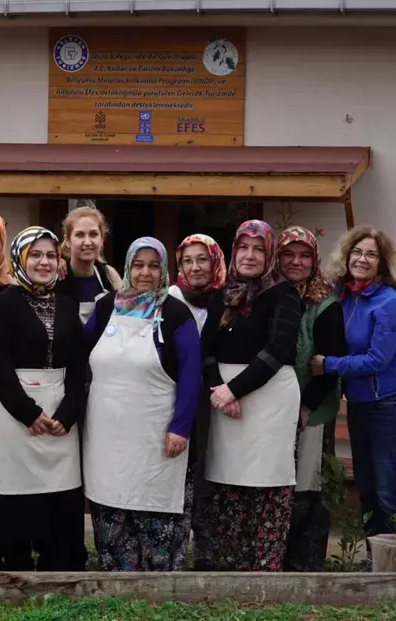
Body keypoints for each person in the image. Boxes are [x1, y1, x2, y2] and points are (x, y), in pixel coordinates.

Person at [84, 237, 201, 572]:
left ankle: (160, 579)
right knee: (111, 500)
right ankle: (117, 579)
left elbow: (191, 375)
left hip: (157, 434)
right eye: (138, 265)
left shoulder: (177, 314)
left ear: (163, 270)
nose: (145, 273)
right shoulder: (106, 307)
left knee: (156, 504)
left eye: (153, 266)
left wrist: (181, 427)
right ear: (127, 268)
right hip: (107, 436)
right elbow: (79, 355)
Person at [0, 226, 87, 571]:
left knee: (61, 490)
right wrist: (28, 412)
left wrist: (68, 413)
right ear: (20, 259)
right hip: (16, 413)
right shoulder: (4, 304)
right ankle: (14, 564)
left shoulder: (67, 304)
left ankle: (60, 561)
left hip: (60, 413)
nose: (44, 262)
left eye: (51, 255)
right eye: (36, 255)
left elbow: (79, 363)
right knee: (17, 490)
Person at [201, 220, 303, 572]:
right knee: (226, 479)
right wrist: (219, 388)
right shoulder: (221, 295)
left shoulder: (284, 294)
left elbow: (278, 349)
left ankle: (263, 567)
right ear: (233, 251)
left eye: (259, 249)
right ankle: (228, 566)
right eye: (243, 247)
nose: (250, 255)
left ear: (270, 254)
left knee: (267, 481)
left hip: (269, 399)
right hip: (223, 400)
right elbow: (206, 349)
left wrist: (234, 389)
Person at [310, 225, 396, 552]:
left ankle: (395, 562)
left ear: (383, 262)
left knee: (387, 491)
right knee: (366, 488)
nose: (362, 259)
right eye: (357, 252)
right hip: (359, 404)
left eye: (371, 255)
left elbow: (377, 360)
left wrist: (329, 364)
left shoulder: (388, 302)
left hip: (386, 406)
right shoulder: (346, 296)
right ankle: (373, 558)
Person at [276, 226, 347, 572]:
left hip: (311, 410)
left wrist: (306, 406)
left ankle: (304, 565)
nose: (296, 262)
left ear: (314, 259)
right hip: (274, 410)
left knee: (308, 484)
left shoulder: (325, 304)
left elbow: (330, 362)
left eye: (304, 255)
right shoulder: (271, 295)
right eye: (288, 254)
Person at [166, 233, 226, 571]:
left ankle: (208, 555)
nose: (195, 267)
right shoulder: (171, 299)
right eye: (187, 260)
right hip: (180, 400)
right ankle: (175, 551)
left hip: (218, 399)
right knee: (182, 474)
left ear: (215, 261)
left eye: (202, 259)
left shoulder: (228, 298)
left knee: (211, 475)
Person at [55, 206, 122, 324]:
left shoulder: (110, 277)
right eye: (80, 235)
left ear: (102, 240)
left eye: (93, 234)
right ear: (68, 241)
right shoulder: (57, 278)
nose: (87, 242)